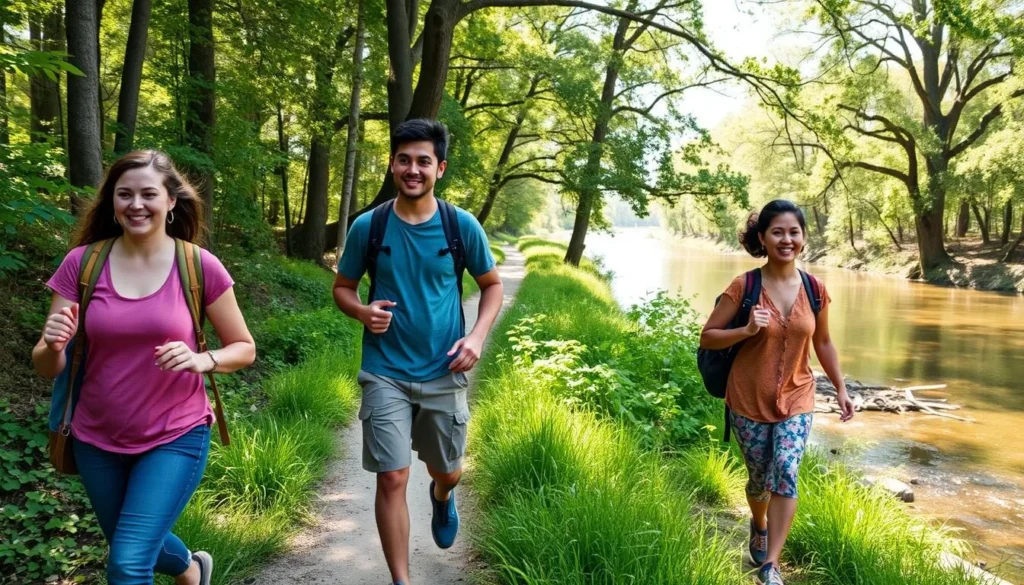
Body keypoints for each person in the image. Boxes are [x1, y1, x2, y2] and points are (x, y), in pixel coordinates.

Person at [32, 150, 256, 585]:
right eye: (125, 194)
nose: (136, 204)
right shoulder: (82, 264)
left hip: (175, 434)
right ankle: (192, 568)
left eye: (148, 194)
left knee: (128, 563)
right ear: (112, 203)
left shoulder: (197, 265)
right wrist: (53, 342)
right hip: (95, 435)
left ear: (171, 201)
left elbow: (244, 348)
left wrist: (200, 359)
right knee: (128, 540)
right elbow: (47, 365)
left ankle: (187, 568)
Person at [333, 119, 503, 585]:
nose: (413, 169)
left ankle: (443, 496)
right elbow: (343, 288)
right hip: (384, 370)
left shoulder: (460, 226)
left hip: (443, 370)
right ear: (392, 165)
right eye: (404, 159)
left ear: (439, 168)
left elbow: (491, 287)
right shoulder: (370, 226)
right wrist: (363, 312)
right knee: (391, 477)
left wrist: (477, 338)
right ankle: (401, 581)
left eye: (423, 161)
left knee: (447, 470)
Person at [699, 199, 854, 585]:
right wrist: (746, 330)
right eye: (778, 232)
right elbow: (708, 337)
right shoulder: (745, 286)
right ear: (763, 238)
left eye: (794, 232)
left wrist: (840, 387)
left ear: (803, 238)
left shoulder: (815, 289)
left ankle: (771, 564)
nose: (787, 239)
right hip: (748, 399)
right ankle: (758, 521)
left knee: (786, 470)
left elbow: (824, 342)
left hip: (797, 396)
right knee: (758, 479)